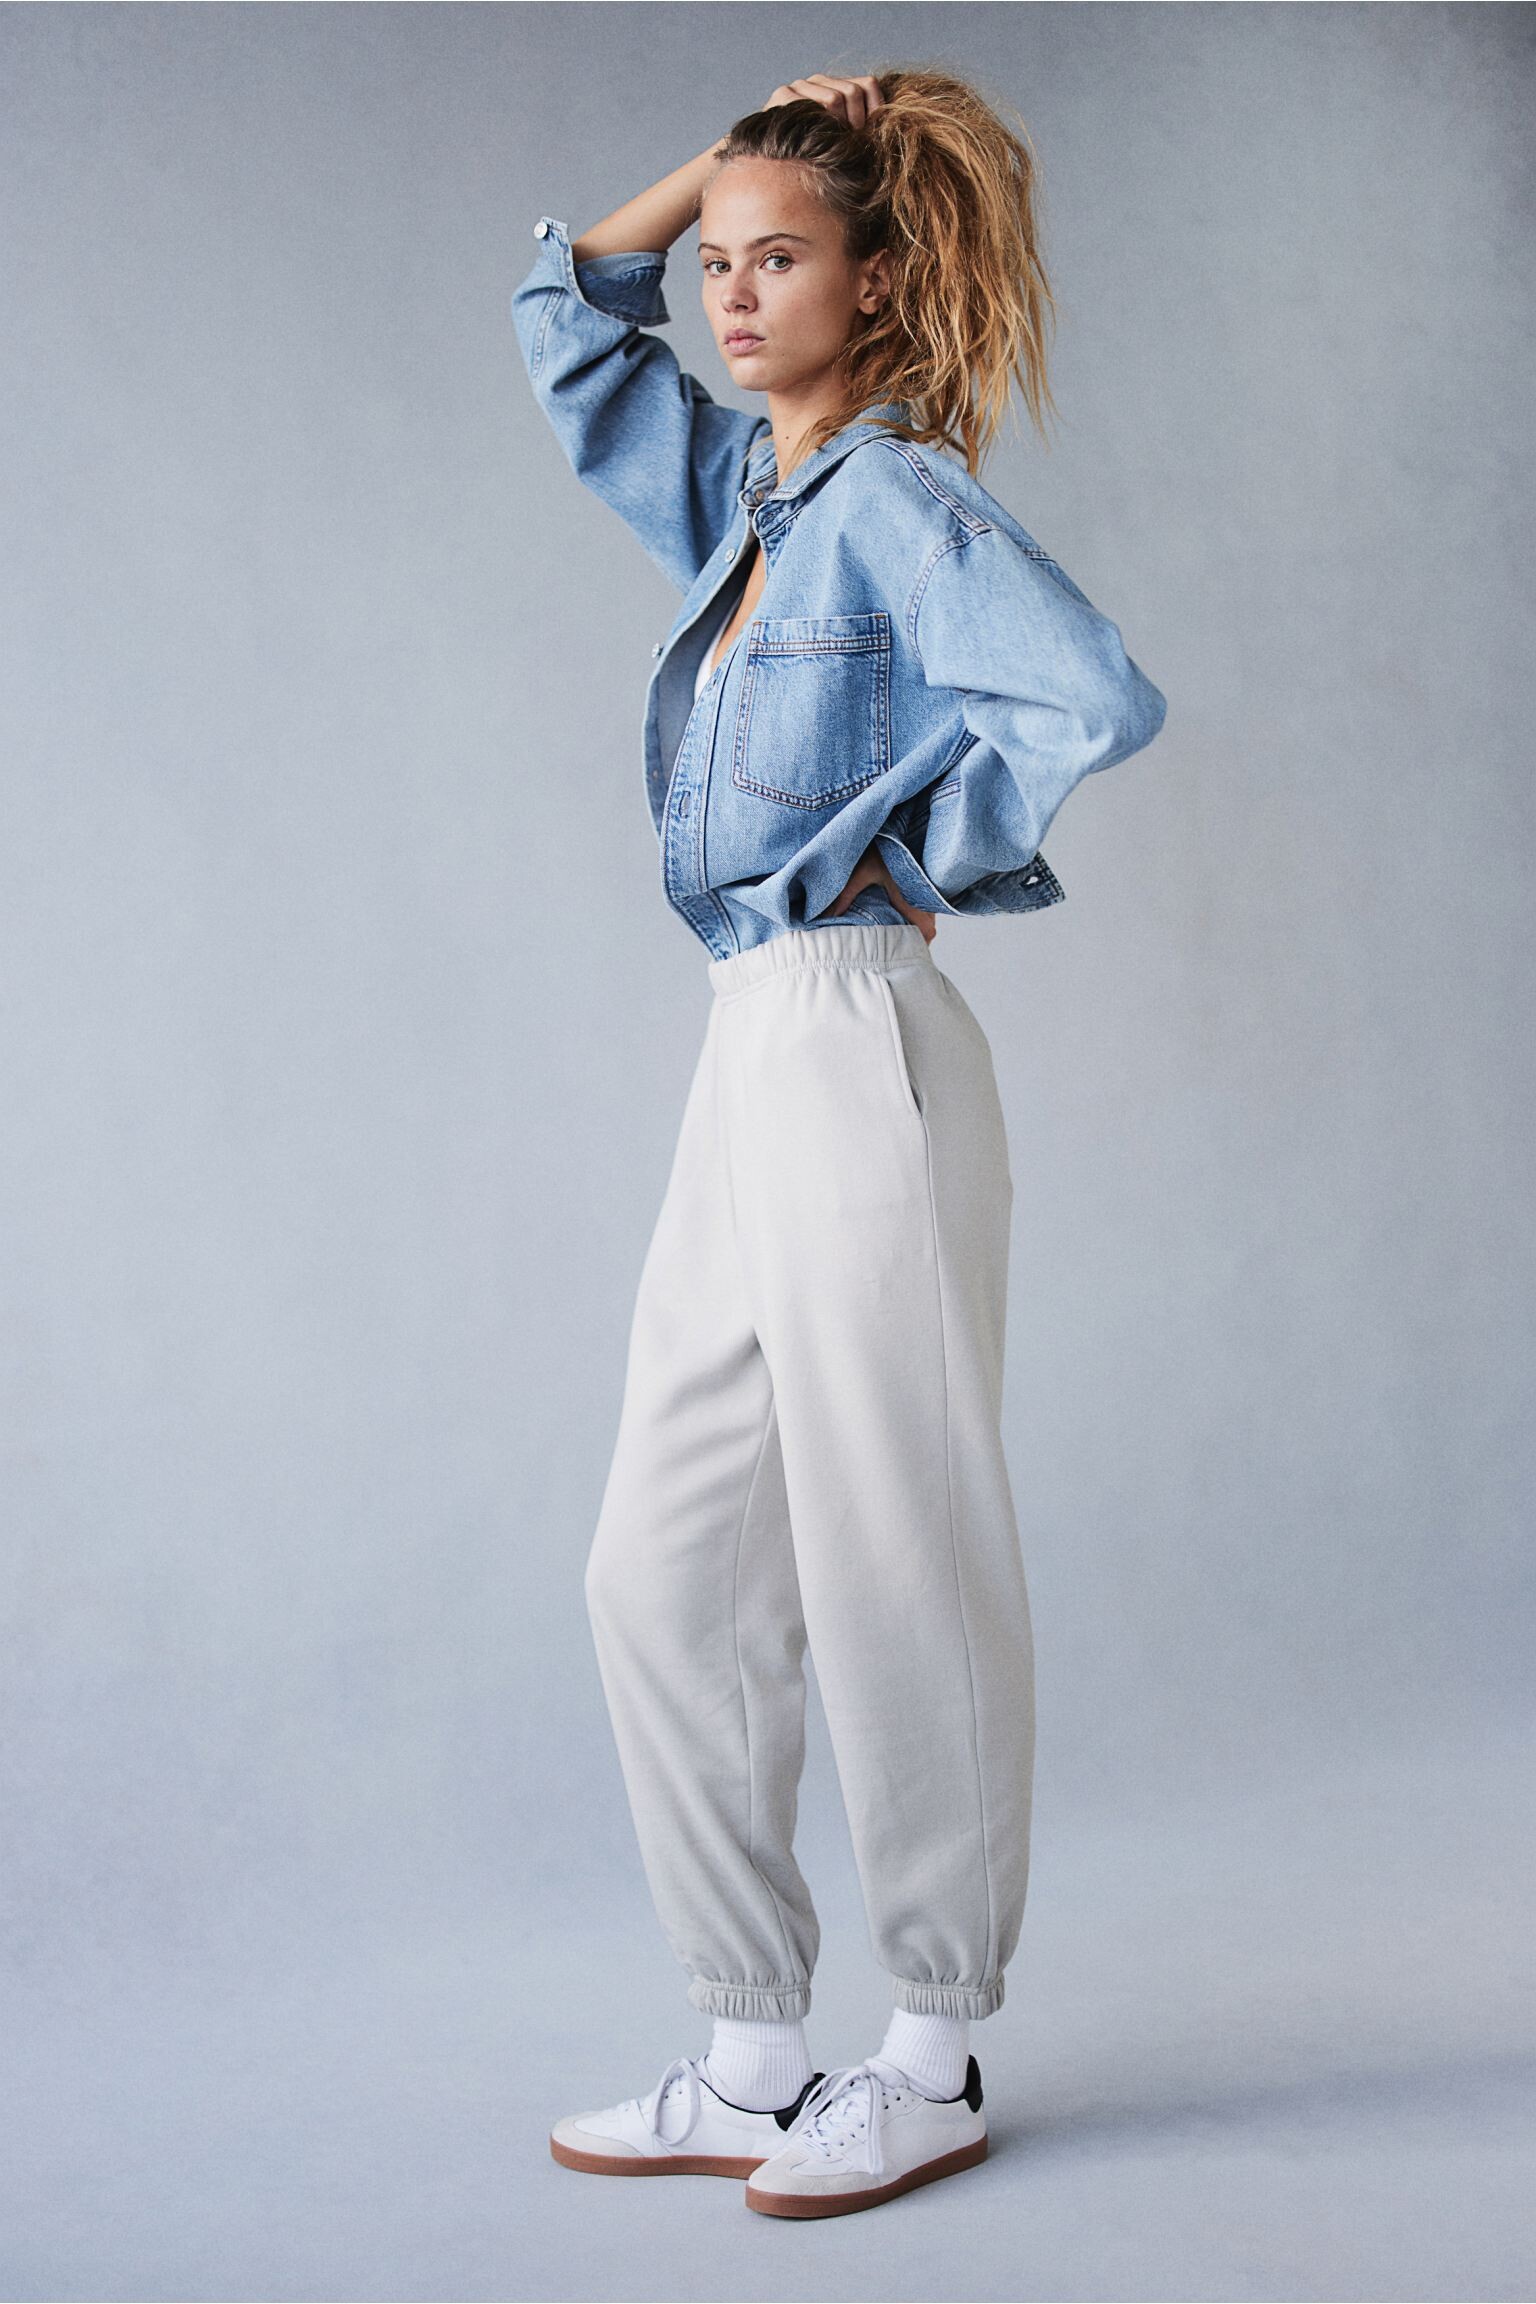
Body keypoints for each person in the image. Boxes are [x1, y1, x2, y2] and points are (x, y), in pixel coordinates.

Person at [511, 65, 1167, 2218]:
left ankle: (936, 2046)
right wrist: (725, 156)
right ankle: (749, 2049)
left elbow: (1087, 698)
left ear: (876, 286)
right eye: (721, 261)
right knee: (664, 1559)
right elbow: (566, 326)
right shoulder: (749, 502)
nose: (725, 292)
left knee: (896, 1541)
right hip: (750, 1041)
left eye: (775, 257)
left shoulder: (895, 506)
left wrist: (934, 851)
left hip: (859, 1029)